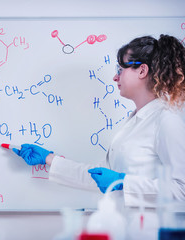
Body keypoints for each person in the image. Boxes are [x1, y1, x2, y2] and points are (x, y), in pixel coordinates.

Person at [13, 34, 185, 207]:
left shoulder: (166, 120)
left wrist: (124, 183)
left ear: (142, 71)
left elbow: (181, 189)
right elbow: (100, 175)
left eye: (121, 70)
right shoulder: (136, 121)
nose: (115, 77)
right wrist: (49, 159)